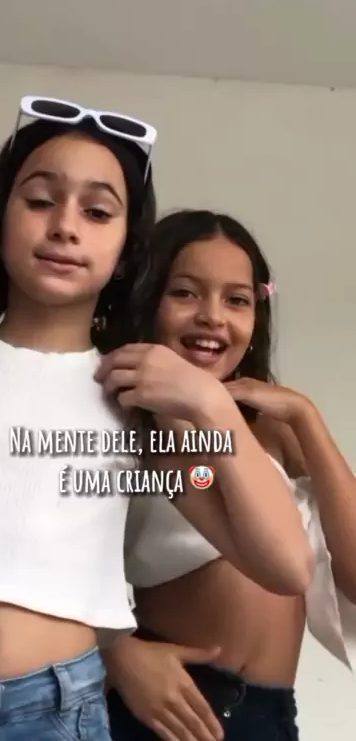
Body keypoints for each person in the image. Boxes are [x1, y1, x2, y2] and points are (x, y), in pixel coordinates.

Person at [0, 95, 312, 741]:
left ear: (128, 248)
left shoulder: (134, 403)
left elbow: (286, 565)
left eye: (98, 211)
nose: (65, 226)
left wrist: (211, 403)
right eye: (40, 200)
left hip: (56, 715)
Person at [104, 209, 356, 741]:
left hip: (270, 716)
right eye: (185, 293)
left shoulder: (272, 426)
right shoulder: (120, 418)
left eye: (237, 300)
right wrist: (115, 652)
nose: (213, 317)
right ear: (146, 299)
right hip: (166, 706)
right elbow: (40, 564)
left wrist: (307, 418)